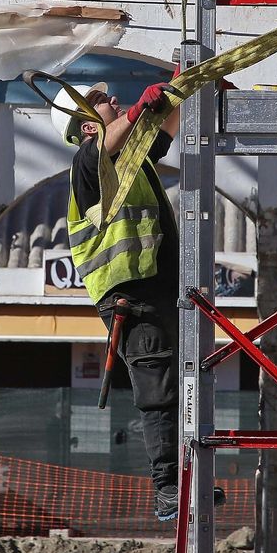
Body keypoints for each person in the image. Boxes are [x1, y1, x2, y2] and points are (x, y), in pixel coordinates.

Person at [53, 78, 184, 520]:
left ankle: (187, 479)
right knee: (156, 390)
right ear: (87, 127)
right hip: (128, 294)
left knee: (183, 384)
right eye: (100, 102)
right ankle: (166, 489)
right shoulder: (86, 165)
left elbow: (165, 126)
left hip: (159, 287)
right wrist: (132, 113)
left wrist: (182, 83)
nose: (113, 100)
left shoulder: (134, 161)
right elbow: (111, 141)